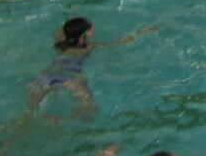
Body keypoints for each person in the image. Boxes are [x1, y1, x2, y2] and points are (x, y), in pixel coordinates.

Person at [26, 18, 157, 118]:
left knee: (29, 113)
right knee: (90, 108)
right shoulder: (89, 46)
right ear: (86, 35)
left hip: (45, 76)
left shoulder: (60, 42)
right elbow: (120, 42)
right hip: (68, 78)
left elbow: (59, 31)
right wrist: (142, 33)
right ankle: (61, 120)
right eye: (90, 28)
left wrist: (71, 22)